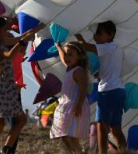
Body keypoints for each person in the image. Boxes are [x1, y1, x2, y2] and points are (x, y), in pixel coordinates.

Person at [0, 15, 43, 154]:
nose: (5, 33)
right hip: (3, 88)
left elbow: (19, 38)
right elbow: (9, 55)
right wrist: (22, 42)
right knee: (20, 120)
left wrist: (37, 28)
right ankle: (6, 148)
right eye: (3, 30)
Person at [76, 21, 127, 154]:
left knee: (101, 127)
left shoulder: (109, 47)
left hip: (108, 91)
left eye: (99, 33)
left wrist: (77, 34)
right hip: (120, 91)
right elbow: (109, 69)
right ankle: (124, 151)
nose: (96, 37)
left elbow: (86, 47)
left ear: (110, 35)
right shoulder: (117, 49)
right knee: (116, 129)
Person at [50, 42, 91, 153]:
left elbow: (83, 89)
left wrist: (78, 106)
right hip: (67, 106)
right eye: (66, 54)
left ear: (80, 56)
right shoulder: (70, 68)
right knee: (65, 134)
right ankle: (76, 152)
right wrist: (58, 46)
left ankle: (77, 152)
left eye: (70, 55)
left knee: (70, 135)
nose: (66, 57)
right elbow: (63, 57)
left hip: (75, 106)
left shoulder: (78, 71)